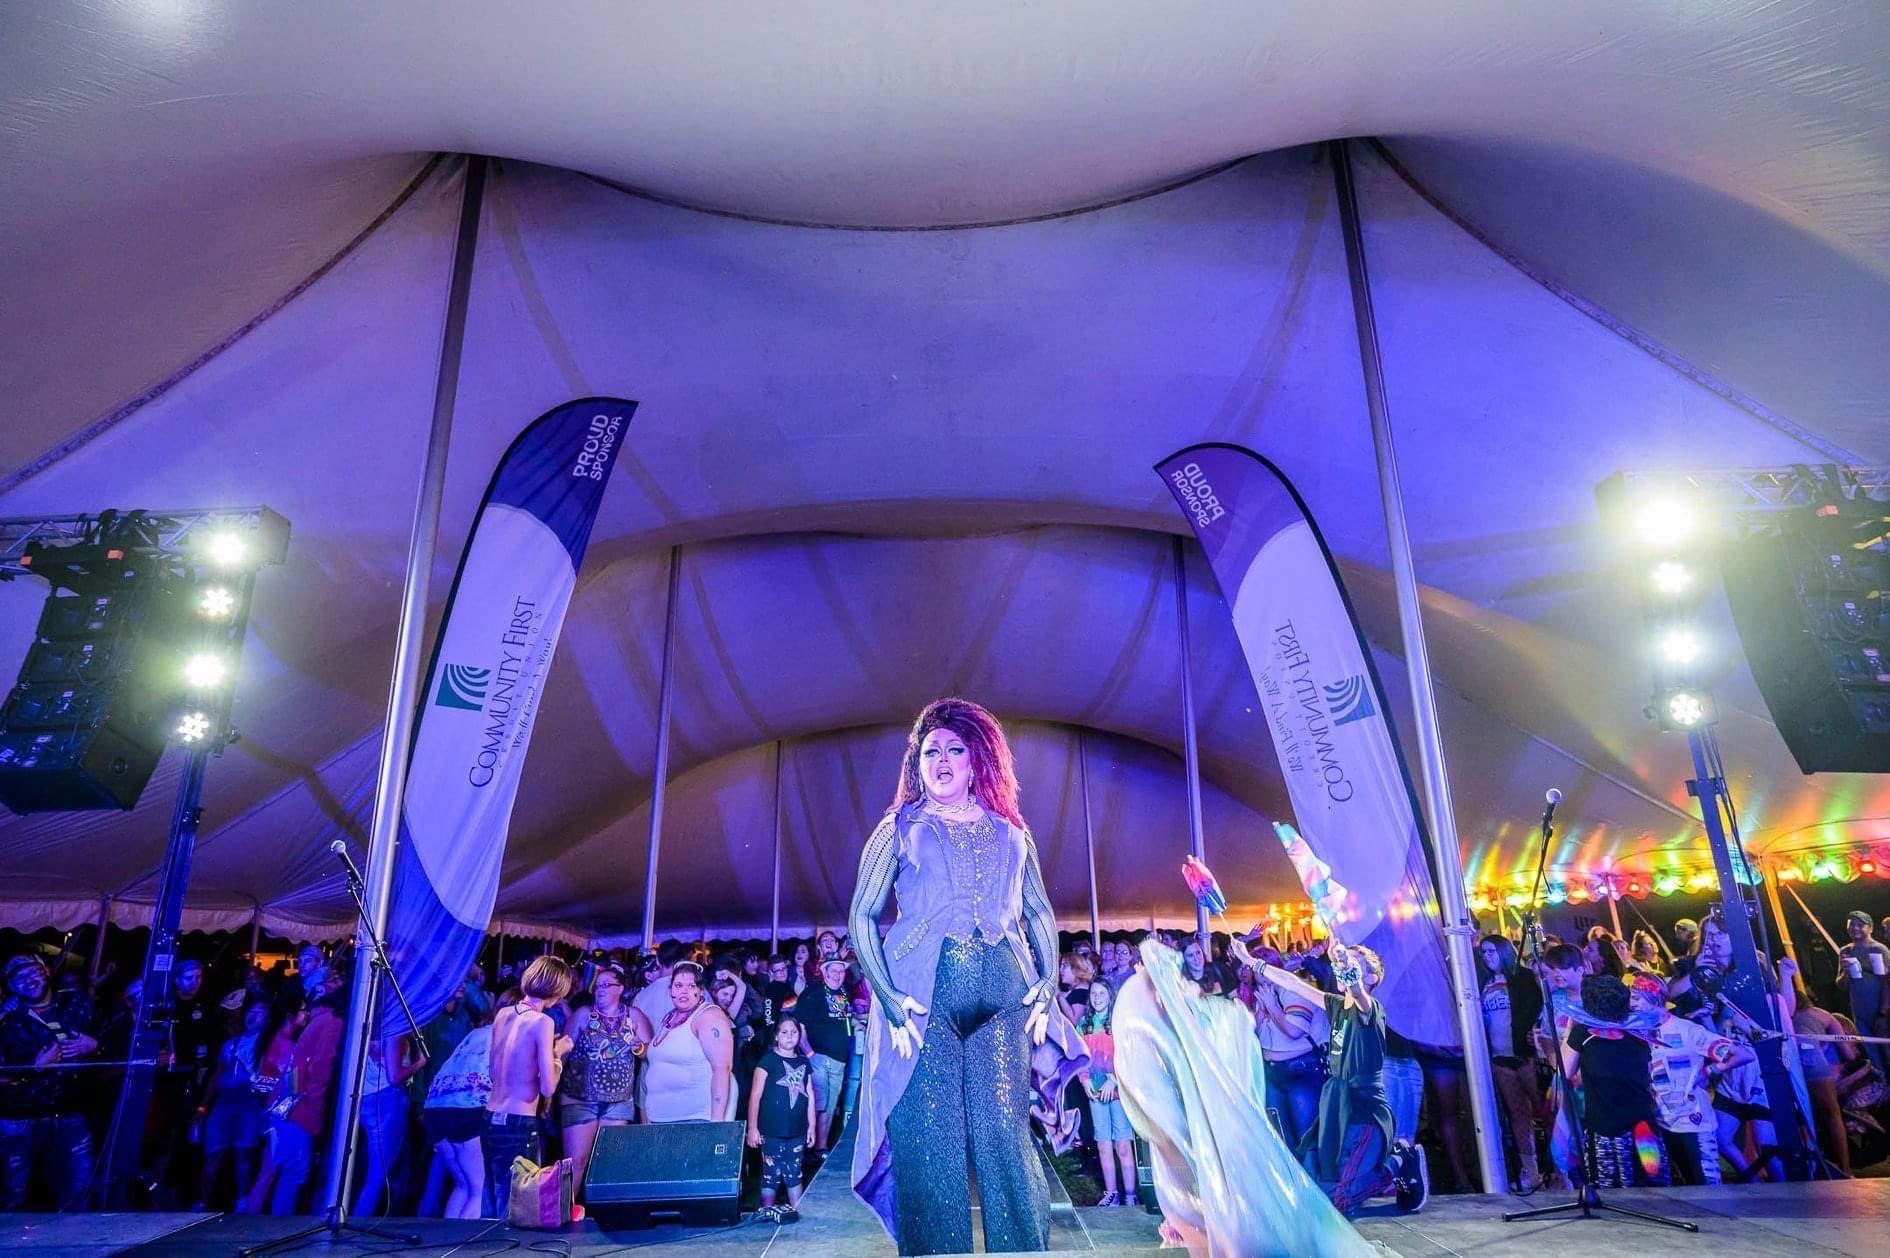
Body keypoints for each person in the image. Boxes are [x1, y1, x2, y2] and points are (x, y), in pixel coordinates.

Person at [846, 698, 1086, 1256]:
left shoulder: (1012, 832)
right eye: (931, 751)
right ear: (917, 764)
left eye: (955, 749)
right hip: (922, 1003)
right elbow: (861, 915)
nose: (942, 760)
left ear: (977, 761)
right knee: (932, 1149)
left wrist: (1048, 981)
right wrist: (888, 997)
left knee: (1006, 1143)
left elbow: (1038, 911)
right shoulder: (899, 827)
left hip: (1004, 999)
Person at [1627, 973, 1750, 1185]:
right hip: (1662, 1124)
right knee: (1684, 1188)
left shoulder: (1687, 1030)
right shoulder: (1639, 1033)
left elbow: (1742, 1054)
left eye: (1637, 998)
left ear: (1653, 997)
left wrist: (1710, 1071)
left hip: (1694, 1123)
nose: (1632, 1004)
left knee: (1708, 1188)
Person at [0, 954, 98, 1211]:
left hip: (71, 1115)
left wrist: (96, 1046)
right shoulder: (6, 1020)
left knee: (79, 1192)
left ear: (47, 972)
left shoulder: (77, 1005)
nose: (28, 979)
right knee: (14, 1196)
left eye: (33, 971)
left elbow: (115, 1041)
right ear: (10, 986)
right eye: (18, 977)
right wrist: (33, 1068)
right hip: (19, 1121)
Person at [485, 957, 575, 1218]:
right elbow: (548, 1087)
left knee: (491, 1201)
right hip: (519, 1121)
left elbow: (493, 1071)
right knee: (519, 1207)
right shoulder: (542, 1022)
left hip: (491, 1117)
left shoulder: (503, 1014)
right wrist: (557, 1054)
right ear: (557, 990)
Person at [1560, 974, 1666, 1187]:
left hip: (1605, 1128)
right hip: (1643, 1124)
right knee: (1652, 1185)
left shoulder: (1583, 1034)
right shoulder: (1639, 1031)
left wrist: (1570, 1029)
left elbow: (1564, 1070)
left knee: (1610, 1191)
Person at [257, 971, 347, 1214]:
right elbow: (318, 1069)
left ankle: (261, 1223)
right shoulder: (331, 1022)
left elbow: (297, 1069)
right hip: (299, 1110)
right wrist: (312, 1113)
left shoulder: (319, 1020)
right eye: (333, 979)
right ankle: (277, 1229)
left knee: (277, 1171)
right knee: (292, 1172)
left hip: (288, 1106)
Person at [557, 962, 648, 1195]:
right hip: (579, 1099)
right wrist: (549, 1092)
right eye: (597, 986)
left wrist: (638, 1047)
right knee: (576, 1162)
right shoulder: (583, 1014)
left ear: (620, 988)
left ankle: (600, 1213)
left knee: (608, 1165)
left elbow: (650, 1051)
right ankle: (561, 1211)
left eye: (606, 985)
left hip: (618, 1102)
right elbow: (562, 1052)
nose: (600, 989)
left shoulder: (634, 1016)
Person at [1476, 934, 1544, 1192]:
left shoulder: (1522, 978)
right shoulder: (1483, 983)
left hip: (1525, 1054)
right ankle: (1532, 1171)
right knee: (1518, 1114)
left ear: (1504, 952)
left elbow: (1535, 1009)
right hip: (1499, 1057)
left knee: (1544, 1110)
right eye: (1484, 952)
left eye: (1492, 951)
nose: (1487, 956)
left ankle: (1561, 1169)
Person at [1780, 959, 1859, 1176]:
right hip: (1814, 1062)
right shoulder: (1822, 1015)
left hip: (1788, 1062)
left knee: (1800, 1116)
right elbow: (1848, 1053)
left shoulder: (1781, 1015)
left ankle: (1809, 1167)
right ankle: (1845, 1168)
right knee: (1832, 1113)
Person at [424, 997, 499, 1219]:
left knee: (463, 1185)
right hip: (468, 1107)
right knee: (479, 1188)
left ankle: (448, 1237)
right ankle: (467, 1240)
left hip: (435, 1107)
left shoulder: (475, 1034)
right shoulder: (507, 1035)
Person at [1254, 940, 1328, 1155]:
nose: (1260, 973)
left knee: (1307, 1143)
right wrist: (1262, 1009)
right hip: (1275, 1074)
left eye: (1264, 967)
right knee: (1285, 1146)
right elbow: (1262, 1036)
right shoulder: (1266, 993)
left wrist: (1270, 1006)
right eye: (1256, 968)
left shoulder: (1293, 989)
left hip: (1302, 1071)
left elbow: (1294, 1031)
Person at [196, 997, 271, 1210]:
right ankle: (200, 1202)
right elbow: (217, 1075)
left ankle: (242, 1201)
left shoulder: (267, 1045)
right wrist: (202, 1106)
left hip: (249, 1104)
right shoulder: (231, 1044)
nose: (253, 1015)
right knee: (212, 1153)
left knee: (243, 1153)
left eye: (260, 1012)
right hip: (224, 1104)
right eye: (251, 1011)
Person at [237, 992, 307, 1214]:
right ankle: (251, 1220)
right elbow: (293, 1083)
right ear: (290, 1015)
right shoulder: (286, 1045)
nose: (307, 1014)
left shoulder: (270, 1038)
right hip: (277, 1114)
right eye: (303, 1010)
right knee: (269, 1171)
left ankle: (252, 1216)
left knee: (268, 1170)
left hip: (265, 1110)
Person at [642, 962, 736, 1124]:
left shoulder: (709, 1015)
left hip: (694, 1120)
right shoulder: (670, 1017)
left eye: (691, 986)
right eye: (678, 985)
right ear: (670, 990)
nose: (684, 991)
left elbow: (722, 1068)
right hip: (660, 1119)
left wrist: (717, 1124)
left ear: (701, 990)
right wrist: (638, 1048)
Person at [748, 1015, 817, 1223]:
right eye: (784, 1032)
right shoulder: (767, 1062)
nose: (789, 1036)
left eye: (794, 1032)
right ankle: (766, 1212)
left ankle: (797, 1212)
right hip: (771, 1130)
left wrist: (812, 1126)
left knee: (794, 1172)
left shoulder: (803, 1062)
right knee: (771, 1173)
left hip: (797, 1130)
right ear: (776, 1036)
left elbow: (810, 1095)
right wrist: (753, 1128)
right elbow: (755, 1096)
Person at [1077, 979, 1138, 1207]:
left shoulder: (1119, 1022)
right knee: (1103, 1144)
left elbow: (1129, 1053)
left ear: (1110, 996)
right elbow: (1079, 1057)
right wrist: (1084, 1081)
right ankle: (1111, 1193)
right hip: (1095, 1092)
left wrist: (1114, 1079)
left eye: (1102, 993)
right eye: (1094, 993)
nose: (1097, 997)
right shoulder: (1084, 1024)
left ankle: (1130, 1194)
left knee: (1122, 1144)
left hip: (1118, 1091)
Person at [352, 1027, 422, 1215]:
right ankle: (359, 1219)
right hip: (387, 1099)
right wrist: (420, 1063)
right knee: (378, 1174)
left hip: (366, 1096)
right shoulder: (393, 1029)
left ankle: (360, 1215)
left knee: (373, 1171)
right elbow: (394, 1076)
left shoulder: (369, 1025)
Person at [1836, 910, 1890, 1079]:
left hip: (1880, 1009)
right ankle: (1882, 1083)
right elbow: (1841, 986)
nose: (1855, 928)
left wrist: (1883, 1011)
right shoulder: (1845, 951)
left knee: (1887, 1047)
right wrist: (1845, 973)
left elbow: (1887, 982)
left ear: (1870, 928)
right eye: (1851, 924)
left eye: (1860, 925)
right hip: (1859, 1010)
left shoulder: (1879, 949)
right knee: (1871, 1049)